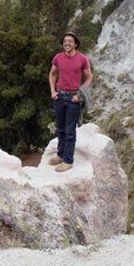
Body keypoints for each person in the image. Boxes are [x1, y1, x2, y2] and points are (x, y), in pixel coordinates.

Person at [48, 32, 92, 172]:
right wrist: (52, 91)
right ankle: (60, 155)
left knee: (69, 131)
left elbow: (89, 77)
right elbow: (52, 74)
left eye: (70, 41)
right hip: (60, 97)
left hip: (73, 98)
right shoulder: (58, 58)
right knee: (60, 128)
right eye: (65, 41)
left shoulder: (82, 59)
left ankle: (68, 160)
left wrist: (80, 95)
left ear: (75, 44)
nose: (67, 43)